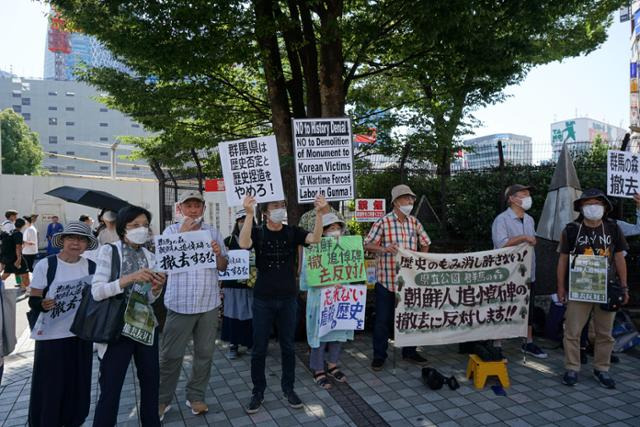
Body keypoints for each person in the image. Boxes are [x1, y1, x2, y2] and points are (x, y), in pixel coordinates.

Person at [238, 193, 328, 414]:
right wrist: (249, 214)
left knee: (288, 347)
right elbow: (243, 243)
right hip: (262, 299)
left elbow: (315, 239)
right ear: (266, 212)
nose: (280, 209)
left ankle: (289, 388)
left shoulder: (292, 231)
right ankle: (258, 391)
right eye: (275, 205)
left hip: (288, 299)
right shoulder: (258, 233)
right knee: (259, 348)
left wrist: (319, 214)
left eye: (282, 205)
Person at [92, 205, 166, 426]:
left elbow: (150, 299)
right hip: (116, 330)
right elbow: (97, 292)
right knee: (111, 387)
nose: (141, 229)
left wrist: (156, 288)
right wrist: (128, 278)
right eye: (135, 225)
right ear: (124, 228)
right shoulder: (109, 251)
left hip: (145, 328)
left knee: (151, 382)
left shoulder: (150, 256)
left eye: (145, 225)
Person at [158, 192, 228, 420]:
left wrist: (218, 254)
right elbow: (164, 265)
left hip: (208, 303)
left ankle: (196, 395)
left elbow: (223, 267)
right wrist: (182, 235)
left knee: (205, 353)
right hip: (179, 304)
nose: (194, 210)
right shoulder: (170, 231)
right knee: (170, 355)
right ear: (180, 209)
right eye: (189, 206)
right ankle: (162, 399)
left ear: (203, 209)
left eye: (198, 206)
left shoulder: (213, 232)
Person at [27, 221, 99, 427]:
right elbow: (33, 299)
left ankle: (73, 420)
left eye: (81, 239)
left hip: (80, 334)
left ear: (87, 244)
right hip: (51, 336)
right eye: (71, 238)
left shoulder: (91, 266)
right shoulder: (46, 265)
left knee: (78, 382)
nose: (76, 243)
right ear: (63, 241)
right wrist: (42, 304)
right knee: (50, 384)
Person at [556, 189, 629, 389]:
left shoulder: (613, 228)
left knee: (605, 333)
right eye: (588, 203)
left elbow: (619, 258)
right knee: (572, 331)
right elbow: (562, 259)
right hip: (578, 288)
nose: (593, 207)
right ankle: (572, 367)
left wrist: (624, 287)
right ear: (581, 207)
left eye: (597, 203)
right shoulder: (571, 229)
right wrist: (561, 287)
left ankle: (602, 369)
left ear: (605, 207)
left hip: (606, 288)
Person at [364, 184, 430, 371]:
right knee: (382, 320)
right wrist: (384, 248)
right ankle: (379, 356)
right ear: (395, 202)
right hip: (386, 280)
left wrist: (421, 260)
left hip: (408, 281)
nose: (410, 202)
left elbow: (426, 242)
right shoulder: (383, 222)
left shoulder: (414, 222)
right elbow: (367, 244)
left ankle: (409, 352)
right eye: (406, 198)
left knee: (409, 317)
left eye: (411, 199)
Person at [491, 184, 547, 358]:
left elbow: (533, 240)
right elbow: (500, 244)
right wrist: (523, 238)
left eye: (528, 194)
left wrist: (530, 239)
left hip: (528, 271)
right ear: (512, 198)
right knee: (503, 305)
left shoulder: (529, 219)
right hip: (507, 273)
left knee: (527, 307)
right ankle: (497, 343)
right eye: (523, 194)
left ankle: (527, 342)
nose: (527, 197)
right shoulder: (502, 219)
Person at [300, 213, 354, 389]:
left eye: (338, 228)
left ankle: (332, 364)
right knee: (320, 334)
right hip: (320, 299)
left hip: (339, 297)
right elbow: (308, 277)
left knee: (337, 330)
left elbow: (351, 270)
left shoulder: (345, 248)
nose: (336, 231)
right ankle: (317, 369)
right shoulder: (313, 249)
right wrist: (329, 283)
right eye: (331, 228)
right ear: (322, 231)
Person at [221, 209, 254, 360]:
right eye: (241, 221)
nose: (243, 223)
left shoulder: (257, 239)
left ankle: (250, 344)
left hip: (250, 285)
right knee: (232, 316)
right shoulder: (228, 241)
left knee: (250, 316)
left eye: (246, 220)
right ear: (236, 223)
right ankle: (233, 345)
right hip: (232, 287)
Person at [1, 218, 30, 288]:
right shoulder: (18, 233)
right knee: (25, 274)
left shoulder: (11, 233)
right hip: (15, 258)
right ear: (23, 226)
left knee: (6, 273)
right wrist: (19, 259)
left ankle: (24, 288)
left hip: (9, 258)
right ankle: (29, 291)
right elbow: (18, 247)